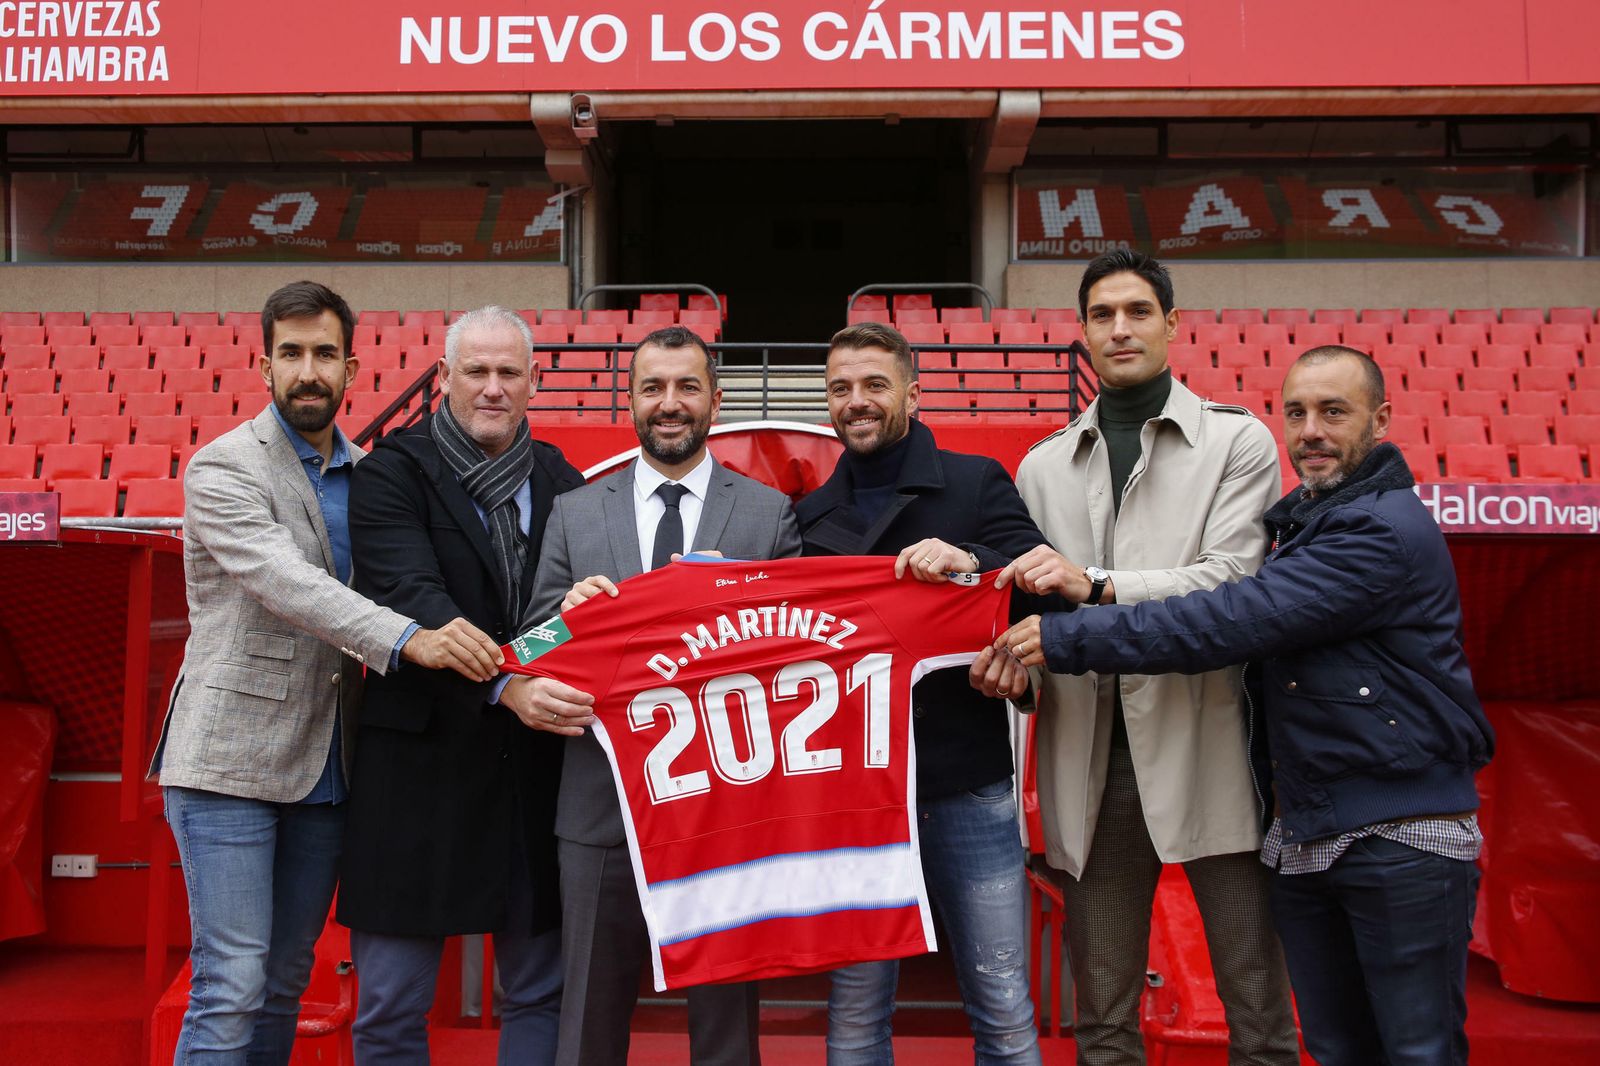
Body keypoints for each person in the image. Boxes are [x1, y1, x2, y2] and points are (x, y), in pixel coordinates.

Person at [980, 345, 1494, 1066]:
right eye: (1297, 413)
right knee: (1339, 1046)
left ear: (1380, 420)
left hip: (1399, 833)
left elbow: (1230, 620)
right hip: (1318, 827)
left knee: (1414, 1049)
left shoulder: (1376, 530)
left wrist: (1072, 624)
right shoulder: (1308, 524)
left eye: (1334, 412)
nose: (1311, 431)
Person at [150, 281, 504, 1065]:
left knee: (284, 979)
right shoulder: (223, 467)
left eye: (323, 354)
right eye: (290, 354)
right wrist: (413, 639)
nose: (307, 371)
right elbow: (288, 584)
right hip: (229, 762)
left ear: (350, 369)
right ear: (264, 366)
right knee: (231, 982)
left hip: (327, 769)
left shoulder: (373, 476)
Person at [1002, 250, 1297, 1065]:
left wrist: (1094, 584)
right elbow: (1028, 613)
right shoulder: (1041, 465)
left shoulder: (1238, 440)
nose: (1120, 328)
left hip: (1213, 748)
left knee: (1258, 1009)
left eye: (1138, 311)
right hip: (1090, 765)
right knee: (1102, 1017)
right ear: (1083, 330)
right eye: (1103, 314)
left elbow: (1233, 584)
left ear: (1172, 323)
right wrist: (1014, 670)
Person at [501, 325, 802, 1066]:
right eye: (652, 388)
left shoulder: (766, 513)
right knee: (587, 1026)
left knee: (727, 1035)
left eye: (687, 387)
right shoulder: (576, 511)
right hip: (599, 803)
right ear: (630, 401)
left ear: (716, 401)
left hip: (725, 809)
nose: (670, 403)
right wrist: (567, 620)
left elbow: (797, 661)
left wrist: (738, 613)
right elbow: (531, 647)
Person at [335, 306, 585, 1064]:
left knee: (539, 994)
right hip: (416, 770)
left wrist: (564, 635)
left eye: (509, 372)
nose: (492, 387)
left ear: (534, 381)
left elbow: (569, 614)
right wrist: (506, 686)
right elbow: (410, 595)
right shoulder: (391, 470)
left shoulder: (562, 479)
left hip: (531, 771)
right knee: (389, 1005)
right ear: (444, 378)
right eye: (476, 371)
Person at [795, 322, 1045, 1065]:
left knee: (1005, 1010)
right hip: (855, 796)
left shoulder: (977, 482)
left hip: (965, 780)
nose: (857, 401)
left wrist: (973, 560)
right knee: (854, 1019)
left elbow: (1044, 587)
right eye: (841, 388)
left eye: (875, 384)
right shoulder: (808, 518)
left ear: (912, 392)